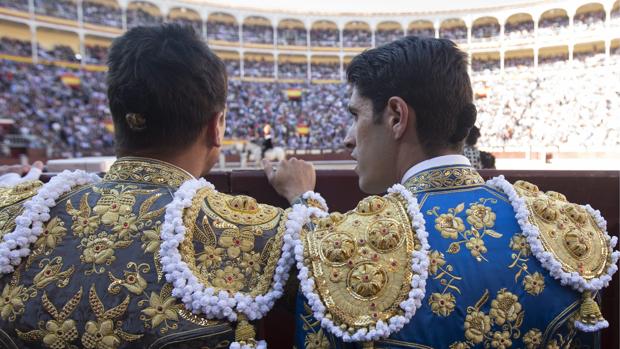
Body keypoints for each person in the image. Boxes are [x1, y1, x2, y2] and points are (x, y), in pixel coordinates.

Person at [266, 36, 618, 348]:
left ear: (396, 117)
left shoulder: (336, 248)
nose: (347, 137)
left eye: (355, 115)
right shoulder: (567, 233)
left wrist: (303, 200)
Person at [0, 24, 315, 348]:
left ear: (117, 120)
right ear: (215, 127)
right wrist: (304, 198)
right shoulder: (252, 231)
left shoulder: (15, 215)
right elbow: (325, 284)